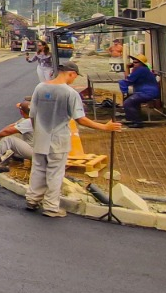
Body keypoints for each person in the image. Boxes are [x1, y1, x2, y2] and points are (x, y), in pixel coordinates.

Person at [25, 63, 122, 217]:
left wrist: (38, 132)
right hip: (58, 139)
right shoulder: (70, 93)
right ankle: (51, 207)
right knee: (55, 173)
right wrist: (104, 127)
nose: (74, 80)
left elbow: (32, 115)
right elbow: (81, 119)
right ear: (71, 73)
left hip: (41, 138)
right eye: (75, 76)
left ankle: (32, 200)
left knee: (38, 170)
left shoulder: (40, 88)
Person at [118, 54, 161, 127]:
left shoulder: (140, 70)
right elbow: (129, 78)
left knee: (127, 103)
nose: (133, 64)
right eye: (133, 62)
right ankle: (131, 120)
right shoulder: (142, 69)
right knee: (133, 102)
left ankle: (137, 122)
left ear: (141, 63)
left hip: (147, 93)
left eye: (136, 62)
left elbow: (128, 80)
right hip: (147, 92)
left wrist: (124, 91)